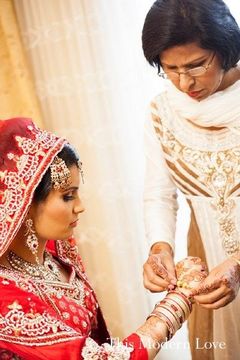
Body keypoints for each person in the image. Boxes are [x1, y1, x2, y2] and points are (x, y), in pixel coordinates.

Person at [0, 117, 207, 359]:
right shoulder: (5, 295)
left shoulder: (56, 263)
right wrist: (179, 300)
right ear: (24, 203)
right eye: (68, 196)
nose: (80, 207)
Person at [141, 1, 240, 359]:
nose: (185, 82)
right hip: (209, 258)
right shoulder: (163, 112)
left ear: (227, 49)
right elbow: (158, 192)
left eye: (197, 65)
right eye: (170, 69)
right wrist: (160, 247)